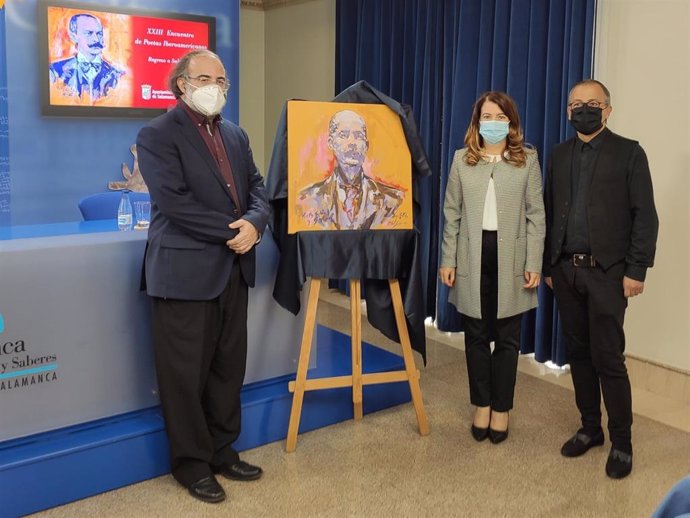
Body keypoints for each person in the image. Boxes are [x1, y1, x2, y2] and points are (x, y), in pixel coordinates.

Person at [136, 49, 269, 504]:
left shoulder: (236, 134)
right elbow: (174, 203)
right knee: (184, 375)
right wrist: (237, 231)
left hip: (233, 267)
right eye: (205, 78)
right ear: (182, 85)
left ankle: (221, 449)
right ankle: (191, 464)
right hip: (183, 271)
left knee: (227, 368)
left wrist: (255, 224)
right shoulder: (157, 134)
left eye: (222, 80)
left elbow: (258, 187)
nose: (216, 86)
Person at [543, 79, 658, 479]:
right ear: (568, 111)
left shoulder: (629, 153)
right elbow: (548, 209)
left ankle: (622, 443)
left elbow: (645, 216)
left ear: (608, 110)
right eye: (577, 104)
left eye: (593, 103)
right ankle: (590, 428)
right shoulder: (558, 155)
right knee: (578, 354)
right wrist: (549, 265)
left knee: (608, 358)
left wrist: (636, 270)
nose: (584, 109)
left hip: (609, 274)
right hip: (566, 272)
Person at [439, 91, 545, 444]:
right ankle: (481, 404)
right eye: (488, 116)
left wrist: (533, 262)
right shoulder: (461, 161)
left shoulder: (527, 161)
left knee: (508, 339)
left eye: (501, 117)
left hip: (512, 258)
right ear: (477, 121)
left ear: (511, 123)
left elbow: (536, 216)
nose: (494, 123)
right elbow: (451, 213)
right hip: (472, 255)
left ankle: (502, 408)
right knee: (476, 336)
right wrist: (448, 259)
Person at [295, 109, 404, 230]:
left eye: (358, 136)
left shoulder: (393, 200)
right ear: (331, 143)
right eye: (344, 135)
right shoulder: (307, 199)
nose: (352, 142)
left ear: (366, 145)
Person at [49, 13, 123, 101]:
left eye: (99, 33)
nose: (96, 39)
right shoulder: (55, 71)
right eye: (89, 33)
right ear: (73, 37)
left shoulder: (117, 75)